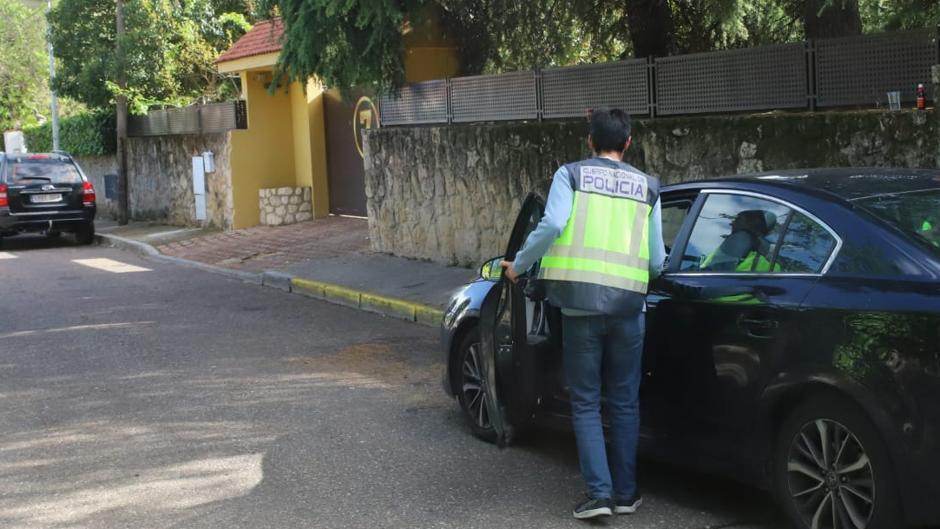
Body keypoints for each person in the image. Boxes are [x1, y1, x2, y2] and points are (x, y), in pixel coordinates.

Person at [500, 108, 665, 520]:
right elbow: (658, 260)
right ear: (627, 143)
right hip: (630, 309)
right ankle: (626, 494)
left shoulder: (570, 175)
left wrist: (519, 265)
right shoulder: (649, 187)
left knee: (587, 401)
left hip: (579, 307)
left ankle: (599, 495)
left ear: (589, 141)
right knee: (626, 401)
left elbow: (553, 224)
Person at [699, 209, 779, 272]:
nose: (731, 223)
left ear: (751, 223)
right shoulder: (767, 255)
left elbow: (715, 272)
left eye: (737, 219)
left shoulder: (739, 240)